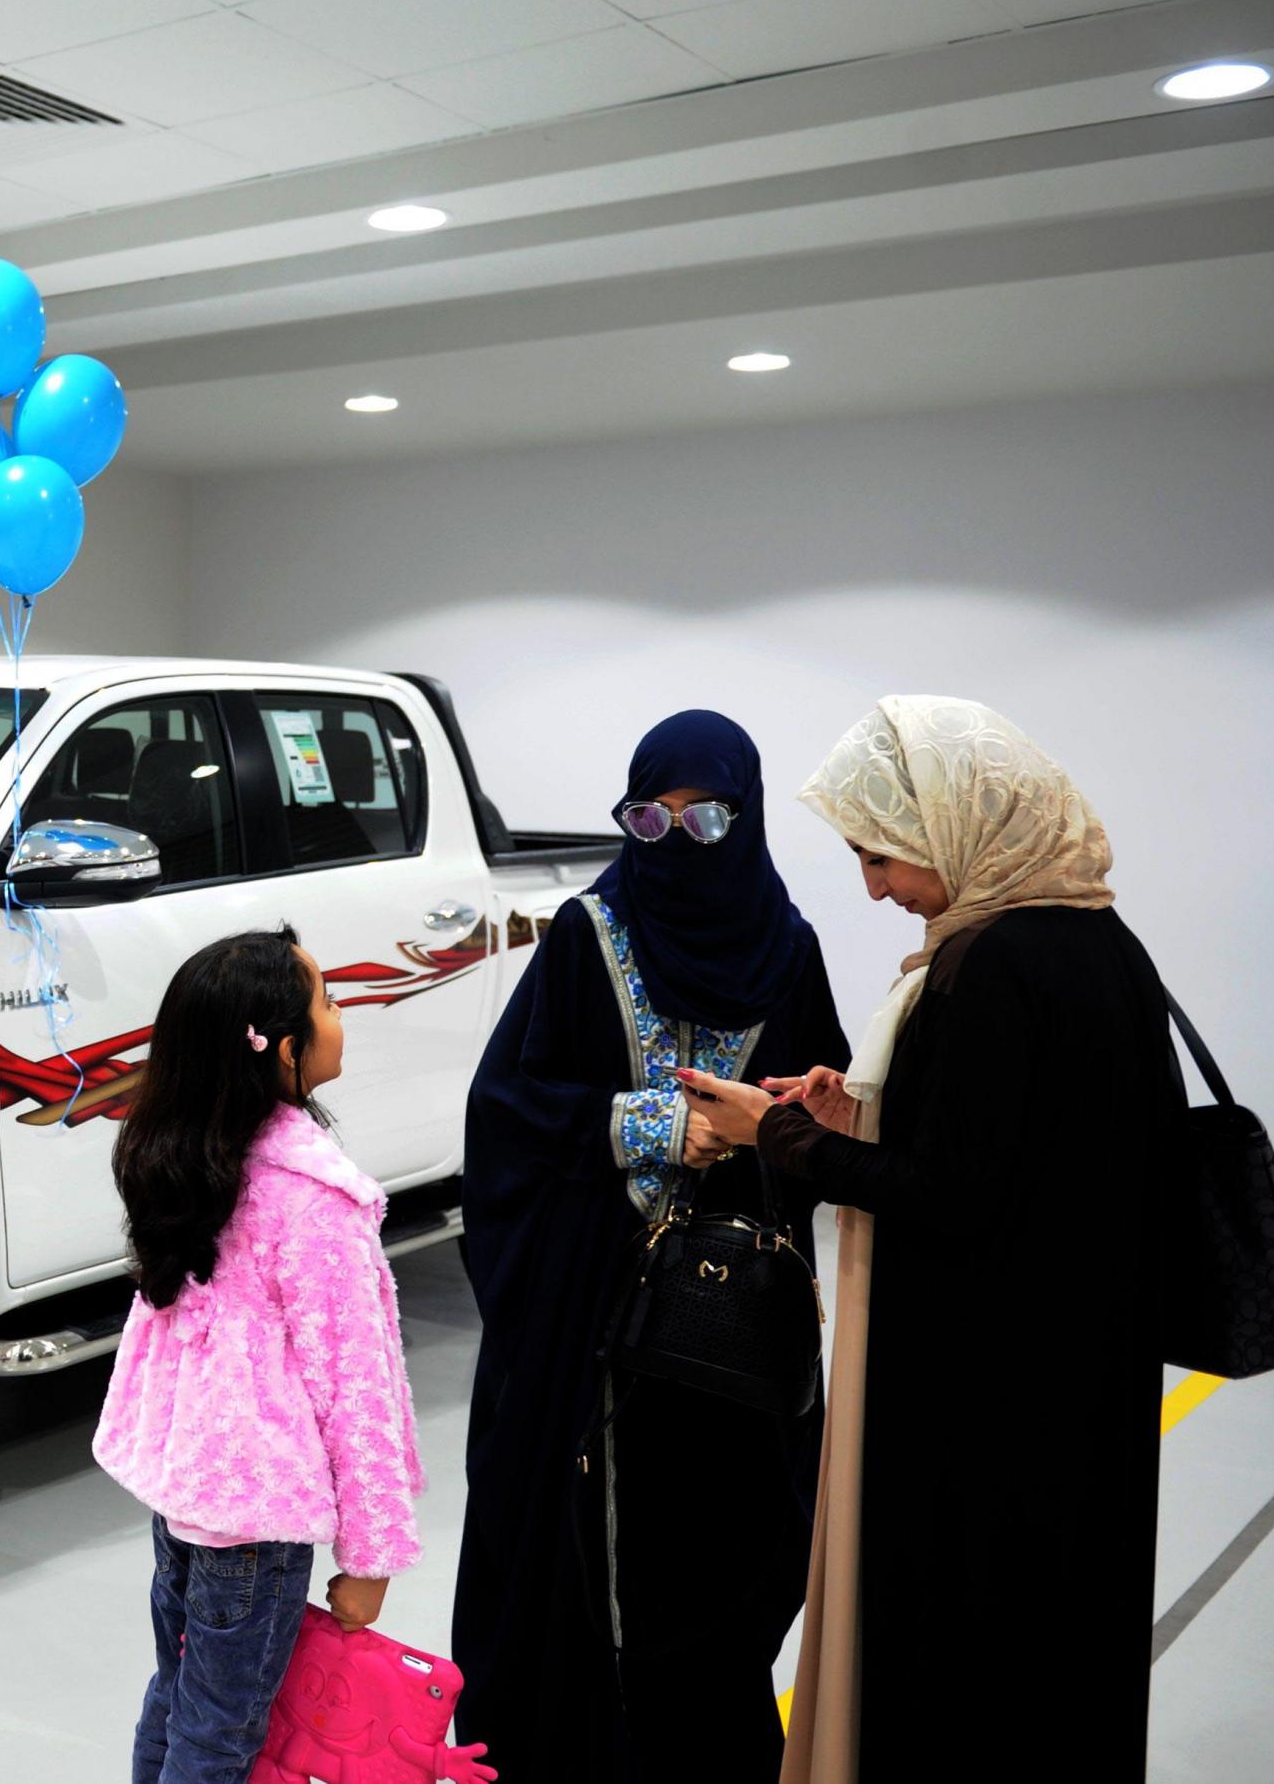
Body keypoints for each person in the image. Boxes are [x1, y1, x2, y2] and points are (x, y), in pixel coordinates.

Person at [678, 696, 1178, 1784]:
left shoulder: (991, 965)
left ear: (959, 825)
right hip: (1079, 1377)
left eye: (884, 856)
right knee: (1059, 1651)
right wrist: (857, 1109)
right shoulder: (1098, 942)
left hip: (981, 1396)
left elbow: (948, 1195)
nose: (876, 888)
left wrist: (779, 1134)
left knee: (963, 1661)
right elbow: (1023, 1151)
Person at [454, 711, 851, 1781]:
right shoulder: (590, 936)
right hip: (590, 1324)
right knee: (572, 1548)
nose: (674, 841)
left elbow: (820, 1136)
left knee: (723, 1553)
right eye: (651, 817)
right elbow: (507, 1113)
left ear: (746, 814)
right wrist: (655, 1124)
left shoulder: (789, 954)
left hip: (725, 1332)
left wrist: (781, 1124)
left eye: (703, 817)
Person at [95, 927, 443, 1784]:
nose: (339, 1012)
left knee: (178, 1700)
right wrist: (371, 1556)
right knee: (220, 1736)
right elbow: (356, 1385)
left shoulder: (189, 1161)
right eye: (326, 1002)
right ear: (282, 1051)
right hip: (259, 1526)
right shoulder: (312, 1199)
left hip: (191, 1501)